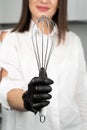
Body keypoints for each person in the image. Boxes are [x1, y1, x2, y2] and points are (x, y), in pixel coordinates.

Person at [0, 0, 87, 130]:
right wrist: (26, 99)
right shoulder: (10, 38)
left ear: (59, 2)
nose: (44, 0)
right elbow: (7, 89)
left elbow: (82, 97)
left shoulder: (73, 41)